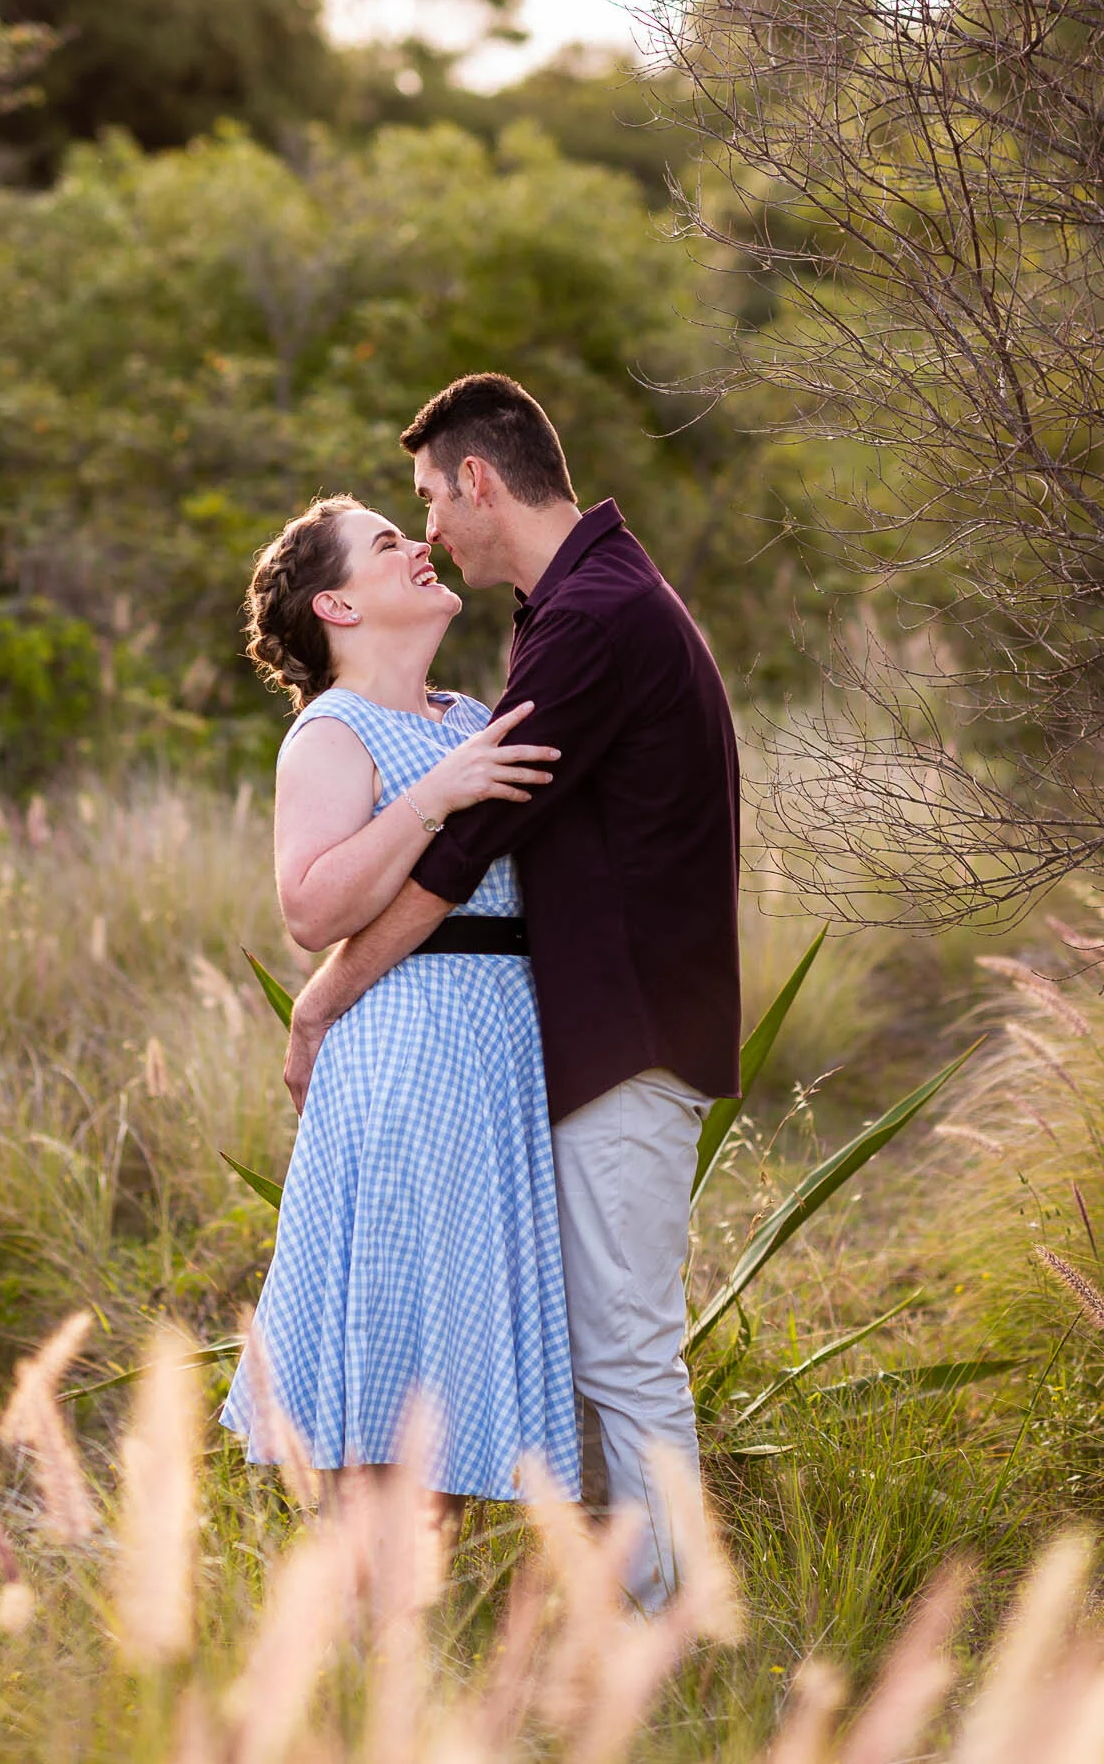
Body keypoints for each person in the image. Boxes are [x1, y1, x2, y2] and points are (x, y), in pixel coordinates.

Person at [282, 375, 742, 1611]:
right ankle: (626, 1618)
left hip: (626, 1030)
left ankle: (665, 1627)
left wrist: (322, 1000)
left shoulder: (585, 618)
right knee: (599, 1349)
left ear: (477, 479)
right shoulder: (585, 600)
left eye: (428, 498)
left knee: (624, 1351)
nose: (427, 526)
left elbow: (457, 859)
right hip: (598, 1032)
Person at [221, 493, 580, 1519]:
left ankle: (401, 1649)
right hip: (406, 1049)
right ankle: (350, 1641)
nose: (418, 545)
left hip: (494, 1059)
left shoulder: (466, 717)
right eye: (388, 543)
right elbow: (309, 906)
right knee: (393, 1379)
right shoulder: (330, 732)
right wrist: (432, 796)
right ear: (335, 604)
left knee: (455, 1380)